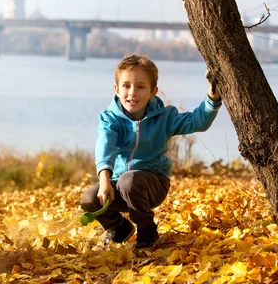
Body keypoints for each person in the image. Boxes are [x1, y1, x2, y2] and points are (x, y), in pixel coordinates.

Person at [79, 54, 222, 249]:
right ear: (116, 89)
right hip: (120, 185)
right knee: (89, 199)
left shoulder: (165, 117)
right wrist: (105, 180)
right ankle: (120, 228)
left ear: (153, 92)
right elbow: (105, 146)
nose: (132, 93)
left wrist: (213, 96)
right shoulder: (110, 118)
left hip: (153, 184)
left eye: (140, 87)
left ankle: (147, 232)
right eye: (126, 86)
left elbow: (198, 121)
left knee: (129, 180)